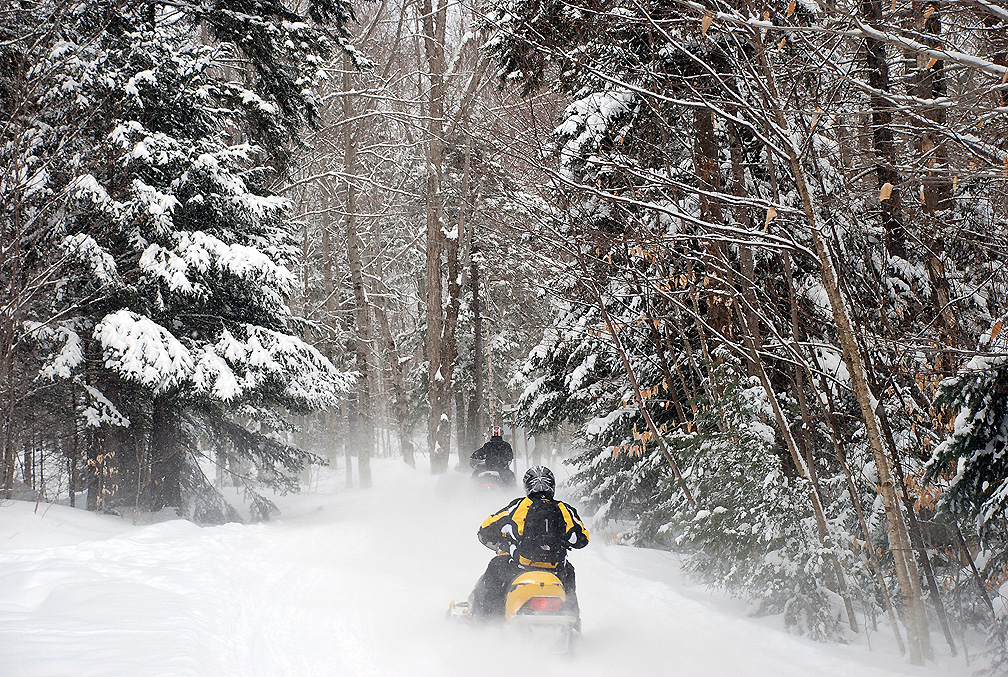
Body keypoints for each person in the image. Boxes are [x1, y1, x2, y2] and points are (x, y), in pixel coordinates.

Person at [470, 466, 590, 629]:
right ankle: (574, 623)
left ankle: (488, 622)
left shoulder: (518, 507)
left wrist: (504, 539)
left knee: (495, 568)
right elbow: (582, 539)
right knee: (570, 573)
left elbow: (486, 528)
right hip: (555, 570)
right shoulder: (564, 509)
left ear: (527, 486)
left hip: (521, 568)